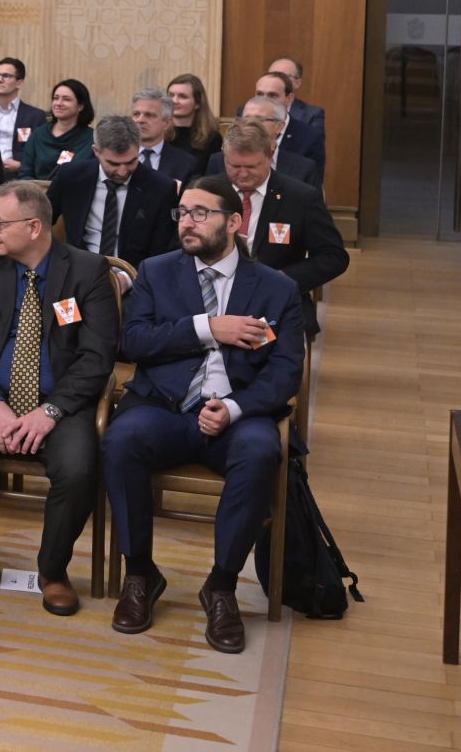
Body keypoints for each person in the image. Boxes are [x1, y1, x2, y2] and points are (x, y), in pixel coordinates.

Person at [103, 177, 303, 653]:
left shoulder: (276, 288)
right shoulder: (156, 271)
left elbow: (285, 372)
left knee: (261, 451)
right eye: (183, 213)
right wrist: (206, 327)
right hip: (165, 408)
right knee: (121, 439)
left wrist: (233, 409)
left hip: (238, 413)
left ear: (234, 222)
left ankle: (221, 586)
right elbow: (132, 342)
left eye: (200, 213)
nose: (187, 223)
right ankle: (140, 574)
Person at [0, 181, 117, 616]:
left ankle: (53, 571)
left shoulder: (87, 271)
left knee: (77, 470)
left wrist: (50, 411)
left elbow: (97, 357)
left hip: (61, 403)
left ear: (34, 227)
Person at [217, 122, 349, 337]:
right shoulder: (207, 192)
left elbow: (334, 257)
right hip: (214, 298)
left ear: (271, 155)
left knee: (257, 348)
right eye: (234, 166)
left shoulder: (301, 198)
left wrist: (282, 279)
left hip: (274, 304)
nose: (242, 174)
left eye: (251, 167)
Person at [47, 114, 178, 264]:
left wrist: (132, 275)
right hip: (77, 268)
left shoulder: (161, 188)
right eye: (114, 164)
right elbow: (41, 220)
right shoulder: (71, 177)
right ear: (96, 151)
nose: (122, 172)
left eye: (131, 162)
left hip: (134, 272)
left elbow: (162, 250)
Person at [212, 94, 322, 189]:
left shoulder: (304, 168)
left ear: (279, 126)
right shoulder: (218, 160)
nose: (251, 124)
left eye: (259, 119)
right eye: (246, 118)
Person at [0, 57, 45, 179]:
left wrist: (20, 166)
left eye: (6, 76)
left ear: (19, 83)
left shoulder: (35, 116)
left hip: (18, 176)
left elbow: (40, 153)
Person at [17, 79, 96, 181]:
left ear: (80, 106)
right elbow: (25, 172)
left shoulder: (91, 139)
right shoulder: (39, 134)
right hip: (37, 190)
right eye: (56, 98)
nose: (58, 103)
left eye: (66, 99)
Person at [252, 71, 326, 179]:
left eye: (272, 95)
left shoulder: (310, 137)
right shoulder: (242, 130)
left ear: (289, 99)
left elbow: (311, 183)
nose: (264, 101)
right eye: (259, 94)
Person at [130, 87, 199, 187]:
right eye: (136, 114)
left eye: (149, 115)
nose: (140, 120)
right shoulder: (115, 155)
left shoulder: (186, 163)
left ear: (166, 123)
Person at [268, 55, 326, 146]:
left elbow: (313, 147)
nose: (276, 80)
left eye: (283, 76)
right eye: (272, 75)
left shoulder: (312, 115)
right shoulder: (248, 110)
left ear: (297, 83)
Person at [167, 73, 221, 161]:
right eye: (171, 95)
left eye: (182, 96)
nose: (174, 101)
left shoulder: (212, 138)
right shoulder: (158, 133)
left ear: (197, 103)